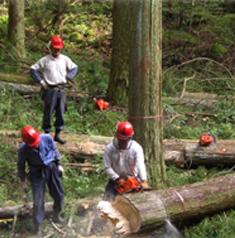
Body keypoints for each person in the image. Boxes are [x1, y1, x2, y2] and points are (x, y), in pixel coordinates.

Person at [17, 126, 65, 238]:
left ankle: (56, 215)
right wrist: (22, 180)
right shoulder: (23, 150)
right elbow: (21, 165)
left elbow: (54, 149)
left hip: (51, 167)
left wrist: (59, 164)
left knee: (59, 193)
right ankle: (37, 225)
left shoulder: (47, 138)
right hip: (36, 172)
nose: (36, 145)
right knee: (38, 200)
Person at [30, 35, 78, 144]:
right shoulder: (45, 60)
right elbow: (33, 69)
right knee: (48, 112)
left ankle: (57, 134)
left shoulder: (65, 59)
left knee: (60, 112)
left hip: (61, 89)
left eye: (58, 49)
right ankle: (46, 135)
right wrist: (41, 82)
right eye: (55, 48)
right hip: (49, 90)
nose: (57, 50)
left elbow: (74, 67)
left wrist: (68, 77)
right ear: (50, 47)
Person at [103, 121, 149, 201]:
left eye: (125, 140)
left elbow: (140, 165)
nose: (123, 142)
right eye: (121, 140)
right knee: (106, 202)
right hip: (115, 182)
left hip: (132, 181)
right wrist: (117, 179)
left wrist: (143, 180)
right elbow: (107, 167)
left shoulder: (136, 148)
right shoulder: (110, 149)